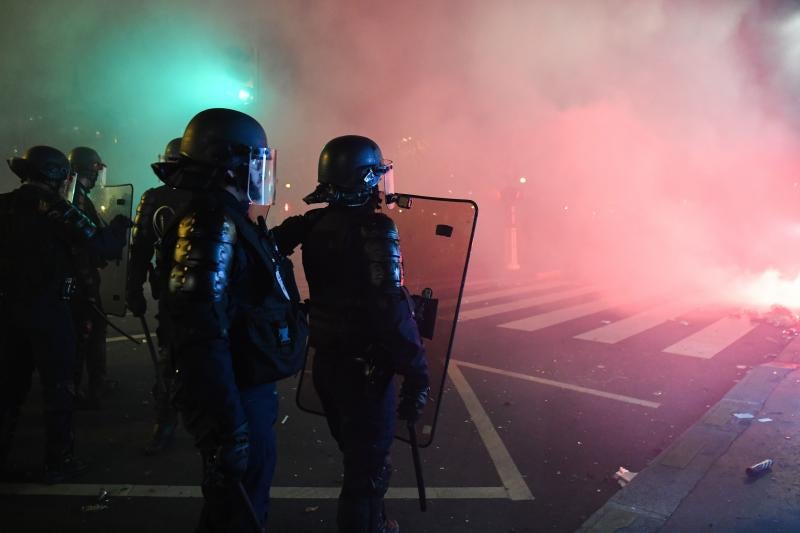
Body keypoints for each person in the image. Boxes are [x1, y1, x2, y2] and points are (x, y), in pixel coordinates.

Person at [271, 135, 430, 533]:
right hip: (365, 373)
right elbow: (391, 309)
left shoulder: (313, 223)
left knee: (356, 457)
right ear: (362, 179)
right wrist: (417, 371)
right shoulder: (376, 229)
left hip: (326, 364)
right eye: (374, 176)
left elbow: (268, 255)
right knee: (367, 475)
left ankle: (374, 520)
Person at [157, 108, 303, 532]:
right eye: (254, 161)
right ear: (230, 163)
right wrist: (229, 426)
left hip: (240, 389)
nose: (260, 172)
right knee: (237, 513)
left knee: (236, 506)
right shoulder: (211, 225)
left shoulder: (226, 217)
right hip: (236, 395)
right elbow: (201, 334)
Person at [0, 145, 128, 482]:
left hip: (8, 312)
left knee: (9, 390)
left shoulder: (5, 205)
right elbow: (102, 246)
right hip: (50, 312)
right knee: (59, 388)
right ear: (57, 175)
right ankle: (58, 463)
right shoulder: (57, 209)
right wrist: (118, 226)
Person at [127, 137, 192, 455]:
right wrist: (132, 288)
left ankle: (166, 423)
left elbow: (138, 251)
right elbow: (139, 250)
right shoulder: (213, 198)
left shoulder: (156, 198)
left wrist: (132, 289)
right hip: (182, 298)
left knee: (171, 360)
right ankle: (168, 421)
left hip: (173, 296)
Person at [68, 146, 118, 409]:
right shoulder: (77, 199)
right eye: (97, 169)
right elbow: (91, 241)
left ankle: (76, 385)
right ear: (90, 169)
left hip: (74, 278)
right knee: (90, 332)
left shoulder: (72, 195)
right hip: (82, 278)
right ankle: (90, 387)